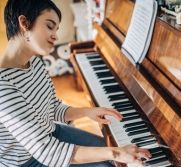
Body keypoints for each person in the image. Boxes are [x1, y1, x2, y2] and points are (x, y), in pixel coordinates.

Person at [0, 0, 151, 167]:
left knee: (114, 154)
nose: (55, 36)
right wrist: (116, 153)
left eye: (56, 29)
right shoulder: (3, 86)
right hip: (27, 161)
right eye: (50, 26)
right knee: (112, 159)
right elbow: (48, 153)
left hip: (50, 133)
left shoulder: (34, 62)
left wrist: (87, 112)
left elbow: (51, 108)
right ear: (24, 23)